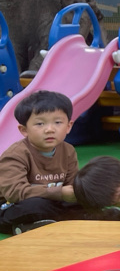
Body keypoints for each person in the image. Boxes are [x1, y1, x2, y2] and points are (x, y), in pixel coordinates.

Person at [0, 90, 110, 233]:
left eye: (58, 122)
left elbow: (71, 184)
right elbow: (15, 193)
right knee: (35, 205)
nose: (50, 129)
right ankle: (28, 225)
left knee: (82, 198)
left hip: (53, 202)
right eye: (40, 124)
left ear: (68, 126)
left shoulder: (68, 151)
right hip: (11, 206)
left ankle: (52, 222)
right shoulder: (15, 155)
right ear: (24, 130)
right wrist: (60, 193)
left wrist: (80, 193)